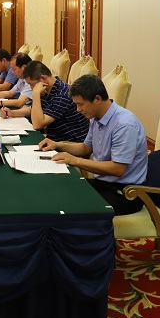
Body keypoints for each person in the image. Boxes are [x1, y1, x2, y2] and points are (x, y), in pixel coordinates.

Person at [39, 74, 148, 216]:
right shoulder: (96, 118)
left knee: (69, 206)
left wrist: (76, 161)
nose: (78, 110)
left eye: (80, 104)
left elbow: (118, 169)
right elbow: (86, 148)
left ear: (97, 99)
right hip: (103, 183)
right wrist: (57, 145)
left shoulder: (124, 124)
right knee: (58, 190)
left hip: (126, 193)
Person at [22, 60, 89, 142]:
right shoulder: (46, 89)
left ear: (43, 79)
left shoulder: (63, 95)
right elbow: (34, 110)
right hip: (55, 140)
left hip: (70, 144)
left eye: (31, 84)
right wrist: (11, 113)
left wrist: (35, 94)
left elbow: (37, 125)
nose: (32, 88)